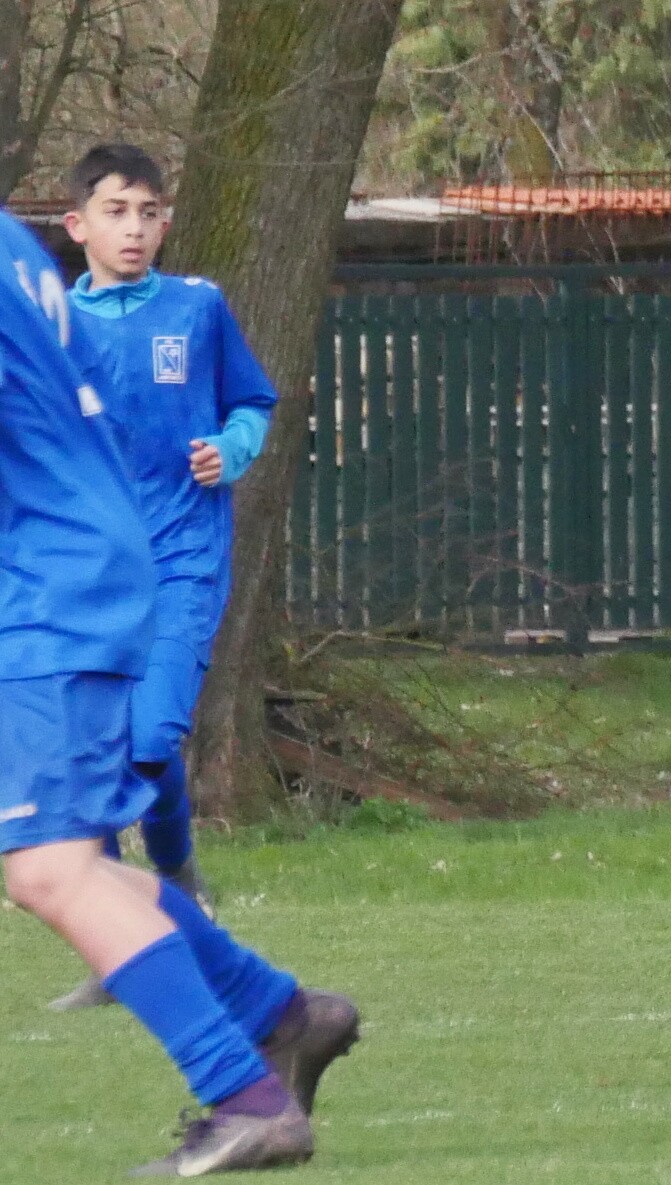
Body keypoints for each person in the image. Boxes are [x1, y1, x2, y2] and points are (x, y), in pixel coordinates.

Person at [0, 206, 358, 1175]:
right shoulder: (16, 249)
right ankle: (281, 1014)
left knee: (48, 869)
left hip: (47, 588)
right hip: (71, 571)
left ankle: (248, 1099)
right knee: (67, 858)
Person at [47, 144, 277, 1013]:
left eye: (148, 212)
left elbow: (251, 403)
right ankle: (121, 948)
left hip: (183, 558)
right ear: (77, 225)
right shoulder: (50, 329)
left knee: (148, 741)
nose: (134, 228)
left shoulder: (198, 308)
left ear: (166, 220)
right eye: (116, 211)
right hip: (89, 573)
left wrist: (233, 449)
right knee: (96, 757)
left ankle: (176, 875)